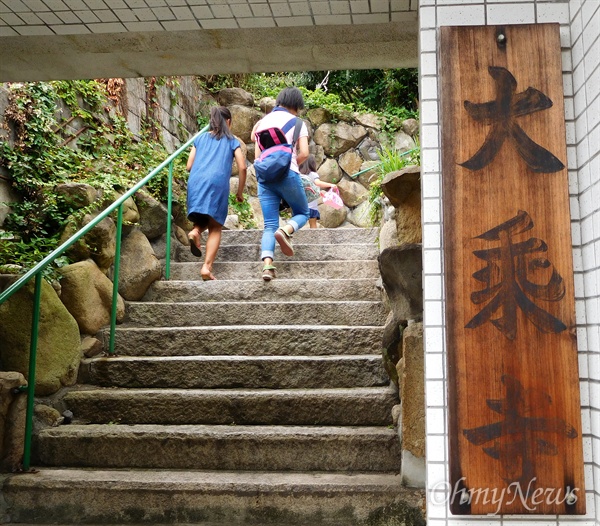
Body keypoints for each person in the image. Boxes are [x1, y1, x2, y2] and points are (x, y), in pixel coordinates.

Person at [254, 87, 310, 281]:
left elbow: (257, 156)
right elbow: (304, 153)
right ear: (296, 105)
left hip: (264, 178)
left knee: (269, 224)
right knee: (303, 212)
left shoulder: (261, 123)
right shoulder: (297, 123)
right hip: (288, 174)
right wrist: (290, 163)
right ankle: (286, 230)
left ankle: (268, 267)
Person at [186, 106, 247, 281]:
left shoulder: (201, 138)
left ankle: (196, 232)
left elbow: (189, 166)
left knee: (202, 215)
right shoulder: (232, 140)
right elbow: (242, 166)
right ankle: (206, 267)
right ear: (228, 122)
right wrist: (240, 192)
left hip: (196, 181)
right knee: (215, 226)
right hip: (217, 183)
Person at [299, 154, 337, 229]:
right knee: (313, 223)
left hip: (300, 205)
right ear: (312, 164)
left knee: (298, 222)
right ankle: (314, 239)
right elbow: (317, 183)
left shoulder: (299, 175)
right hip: (311, 205)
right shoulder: (312, 174)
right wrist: (331, 185)